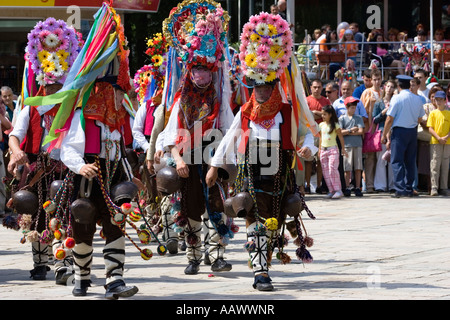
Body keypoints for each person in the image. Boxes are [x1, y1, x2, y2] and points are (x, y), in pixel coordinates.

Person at [206, 11, 317, 291]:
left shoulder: (288, 111)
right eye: (257, 89)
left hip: (281, 171)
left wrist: (307, 149)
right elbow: (230, 139)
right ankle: (260, 273)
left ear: (275, 86)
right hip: (251, 172)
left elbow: (308, 135)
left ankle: (265, 263)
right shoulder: (245, 112)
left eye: (266, 89)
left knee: (276, 219)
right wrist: (214, 166)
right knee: (252, 217)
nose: (261, 93)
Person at [161, 0, 235, 275]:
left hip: (213, 157)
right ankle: (193, 255)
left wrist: (217, 164)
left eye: (206, 69)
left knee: (217, 204)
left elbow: (228, 132)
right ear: (189, 71)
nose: (201, 74)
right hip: (187, 162)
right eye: (196, 69)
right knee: (191, 206)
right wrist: (178, 159)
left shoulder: (219, 100)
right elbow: (169, 137)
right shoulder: (180, 101)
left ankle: (216, 255)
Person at [7, 18, 82, 284]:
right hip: (41, 169)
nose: (53, 91)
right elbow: (15, 135)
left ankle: (64, 262)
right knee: (38, 215)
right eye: (49, 86)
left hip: (68, 169)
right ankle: (40, 262)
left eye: (58, 87)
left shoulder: (74, 109)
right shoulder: (31, 107)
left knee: (67, 214)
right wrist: (16, 152)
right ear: (42, 83)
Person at [381, 75, 426, 198]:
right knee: (410, 161)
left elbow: (389, 118)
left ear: (399, 86)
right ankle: (408, 187)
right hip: (412, 131)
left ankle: (400, 189)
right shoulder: (417, 99)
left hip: (399, 132)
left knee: (397, 161)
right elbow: (420, 118)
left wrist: (384, 134)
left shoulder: (396, 98)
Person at [360, 69, 383, 193]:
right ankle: (369, 185)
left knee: (380, 158)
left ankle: (380, 184)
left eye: (379, 79)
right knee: (369, 157)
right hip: (370, 128)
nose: (377, 82)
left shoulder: (383, 92)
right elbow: (362, 111)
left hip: (382, 128)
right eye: (375, 79)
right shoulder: (366, 92)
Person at [306, 79, 330, 194]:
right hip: (309, 134)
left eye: (319, 87)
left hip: (323, 134)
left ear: (322, 88)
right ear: (310, 87)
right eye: (314, 87)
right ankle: (307, 185)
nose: (316, 89)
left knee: (321, 161)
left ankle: (319, 185)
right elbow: (306, 117)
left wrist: (316, 112)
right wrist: (320, 114)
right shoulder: (306, 101)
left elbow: (329, 116)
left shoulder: (326, 101)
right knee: (308, 160)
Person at [319, 105, 348, 199]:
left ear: (330, 115)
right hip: (323, 150)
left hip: (333, 149)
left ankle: (338, 190)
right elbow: (320, 138)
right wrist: (319, 150)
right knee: (325, 171)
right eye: (322, 114)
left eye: (325, 114)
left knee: (332, 169)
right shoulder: (321, 125)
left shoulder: (335, 125)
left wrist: (343, 149)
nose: (322, 116)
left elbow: (340, 137)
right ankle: (331, 190)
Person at [372, 79, 396, 192]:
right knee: (381, 159)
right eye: (388, 86)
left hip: (393, 132)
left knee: (392, 159)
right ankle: (380, 185)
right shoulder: (378, 102)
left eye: (392, 87)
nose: (389, 89)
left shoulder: (396, 101)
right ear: (385, 87)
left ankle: (392, 185)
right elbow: (375, 119)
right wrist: (385, 110)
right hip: (382, 131)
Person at [339, 97, 364, 197]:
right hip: (347, 145)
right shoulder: (342, 118)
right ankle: (347, 187)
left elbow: (361, 131)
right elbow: (340, 132)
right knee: (347, 168)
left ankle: (357, 187)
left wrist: (348, 132)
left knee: (358, 167)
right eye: (351, 108)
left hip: (357, 144)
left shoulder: (359, 118)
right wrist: (351, 130)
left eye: (354, 107)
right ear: (347, 107)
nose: (353, 110)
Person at [426, 91, 450, 196]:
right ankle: (434, 187)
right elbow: (430, 128)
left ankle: (444, 187)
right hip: (436, 141)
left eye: (441, 100)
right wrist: (438, 137)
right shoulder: (433, 113)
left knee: (445, 165)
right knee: (435, 164)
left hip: (447, 142)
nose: (439, 102)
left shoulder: (448, 113)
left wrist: (446, 137)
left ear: (445, 101)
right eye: (437, 100)